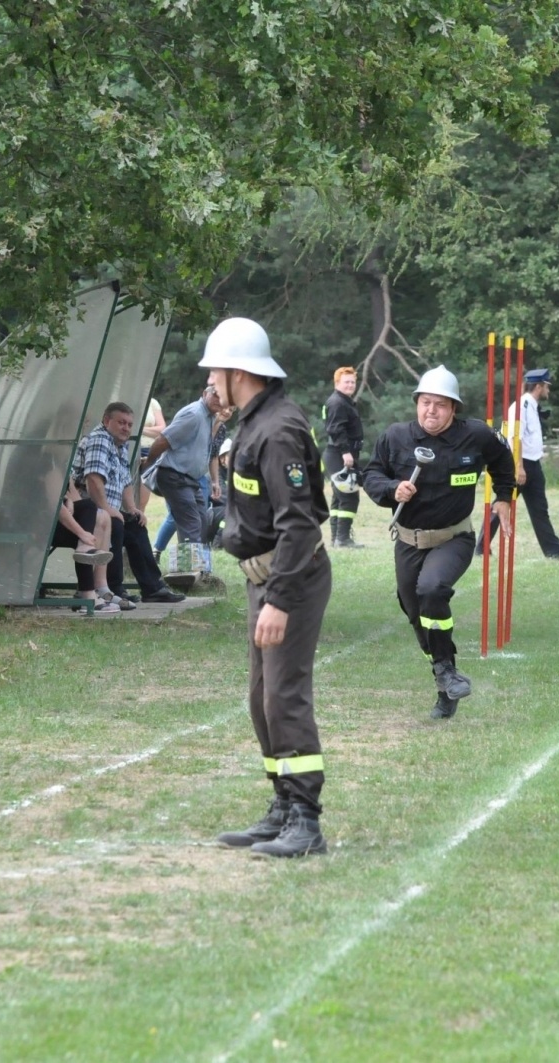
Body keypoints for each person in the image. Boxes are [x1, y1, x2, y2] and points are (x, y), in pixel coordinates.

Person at [203, 318, 333, 858]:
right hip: (266, 579)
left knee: (283, 697)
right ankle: (282, 805)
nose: (210, 381)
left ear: (238, 372)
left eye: (215, 371)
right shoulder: (254, 422)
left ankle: (305, 820)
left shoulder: (277, 430)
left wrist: (278, 600)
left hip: (290, 580)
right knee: (262, 700)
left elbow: (299, 523)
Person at [362, 365, 515, 720]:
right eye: (425, 403)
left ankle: (446, 670)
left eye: (440, 404)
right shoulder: (395, 437)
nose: (431, 411)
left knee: (431, 589)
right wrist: (391, 489)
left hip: (454, 538)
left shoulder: (475, 436)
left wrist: (504, 496)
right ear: (417, 403)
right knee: (415, 612)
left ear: (453, 408)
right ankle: (445, 679)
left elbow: (502, 459)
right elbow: (371, 474)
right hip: (408, 540)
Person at [72, 402, 184, 606]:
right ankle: (112, 589)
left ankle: (153, 588)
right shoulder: (99, 440)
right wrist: (107, 508)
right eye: (121, 422)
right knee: (116, 524)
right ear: (107, 421)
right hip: (86, 511)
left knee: (135, 523)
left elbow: (125, 481)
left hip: (106, 508)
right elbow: (93, 479)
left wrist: (132, 508)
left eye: (130, 424)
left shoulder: (120, 445)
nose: (126, 428)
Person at [142, 380, 223, 575]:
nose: (219, 400)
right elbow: (163, 439)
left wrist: (214, 480)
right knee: (191, 522)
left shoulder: (210, 416)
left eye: (223, 397)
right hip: (174, 475)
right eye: (215, 394)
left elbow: (208, 451)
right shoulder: (193, 414)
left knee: (202, 521)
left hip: (191, 479)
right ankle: (186, 573)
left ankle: (201, 571)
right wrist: (149, 463)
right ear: (205, 393)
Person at [505, 367, 559, 559]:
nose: (548, 390)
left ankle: (554, 550)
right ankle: (481, 546)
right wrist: (519, 467)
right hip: (521, 463)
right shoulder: (521, 406)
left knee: (539, 509)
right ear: (538, 386)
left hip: (533, 464)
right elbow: (515, 437)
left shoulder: (532, 405)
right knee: (503, 504)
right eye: (546, 386)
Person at [50, 487, 118, 613]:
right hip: (34, 526)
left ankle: (97, 588)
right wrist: (82, 534)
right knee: (88, 508)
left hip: (46, 520)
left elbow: (61, 496)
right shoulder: (49, 473)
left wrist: (67, 499)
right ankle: (87, 594)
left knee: (97, 514)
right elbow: (54, 501)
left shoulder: (62, 475)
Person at [323, 366, 366, 548]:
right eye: (346, 382)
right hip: (339, 455)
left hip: (340, 454)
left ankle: (336, 538)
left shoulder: (344, 401)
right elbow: (335, 429)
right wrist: (345, 452)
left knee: (339, 497)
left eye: (353, 382)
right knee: (349, 496)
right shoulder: (337, 403)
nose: (350, 385)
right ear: (337, 383)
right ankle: (343, 539)